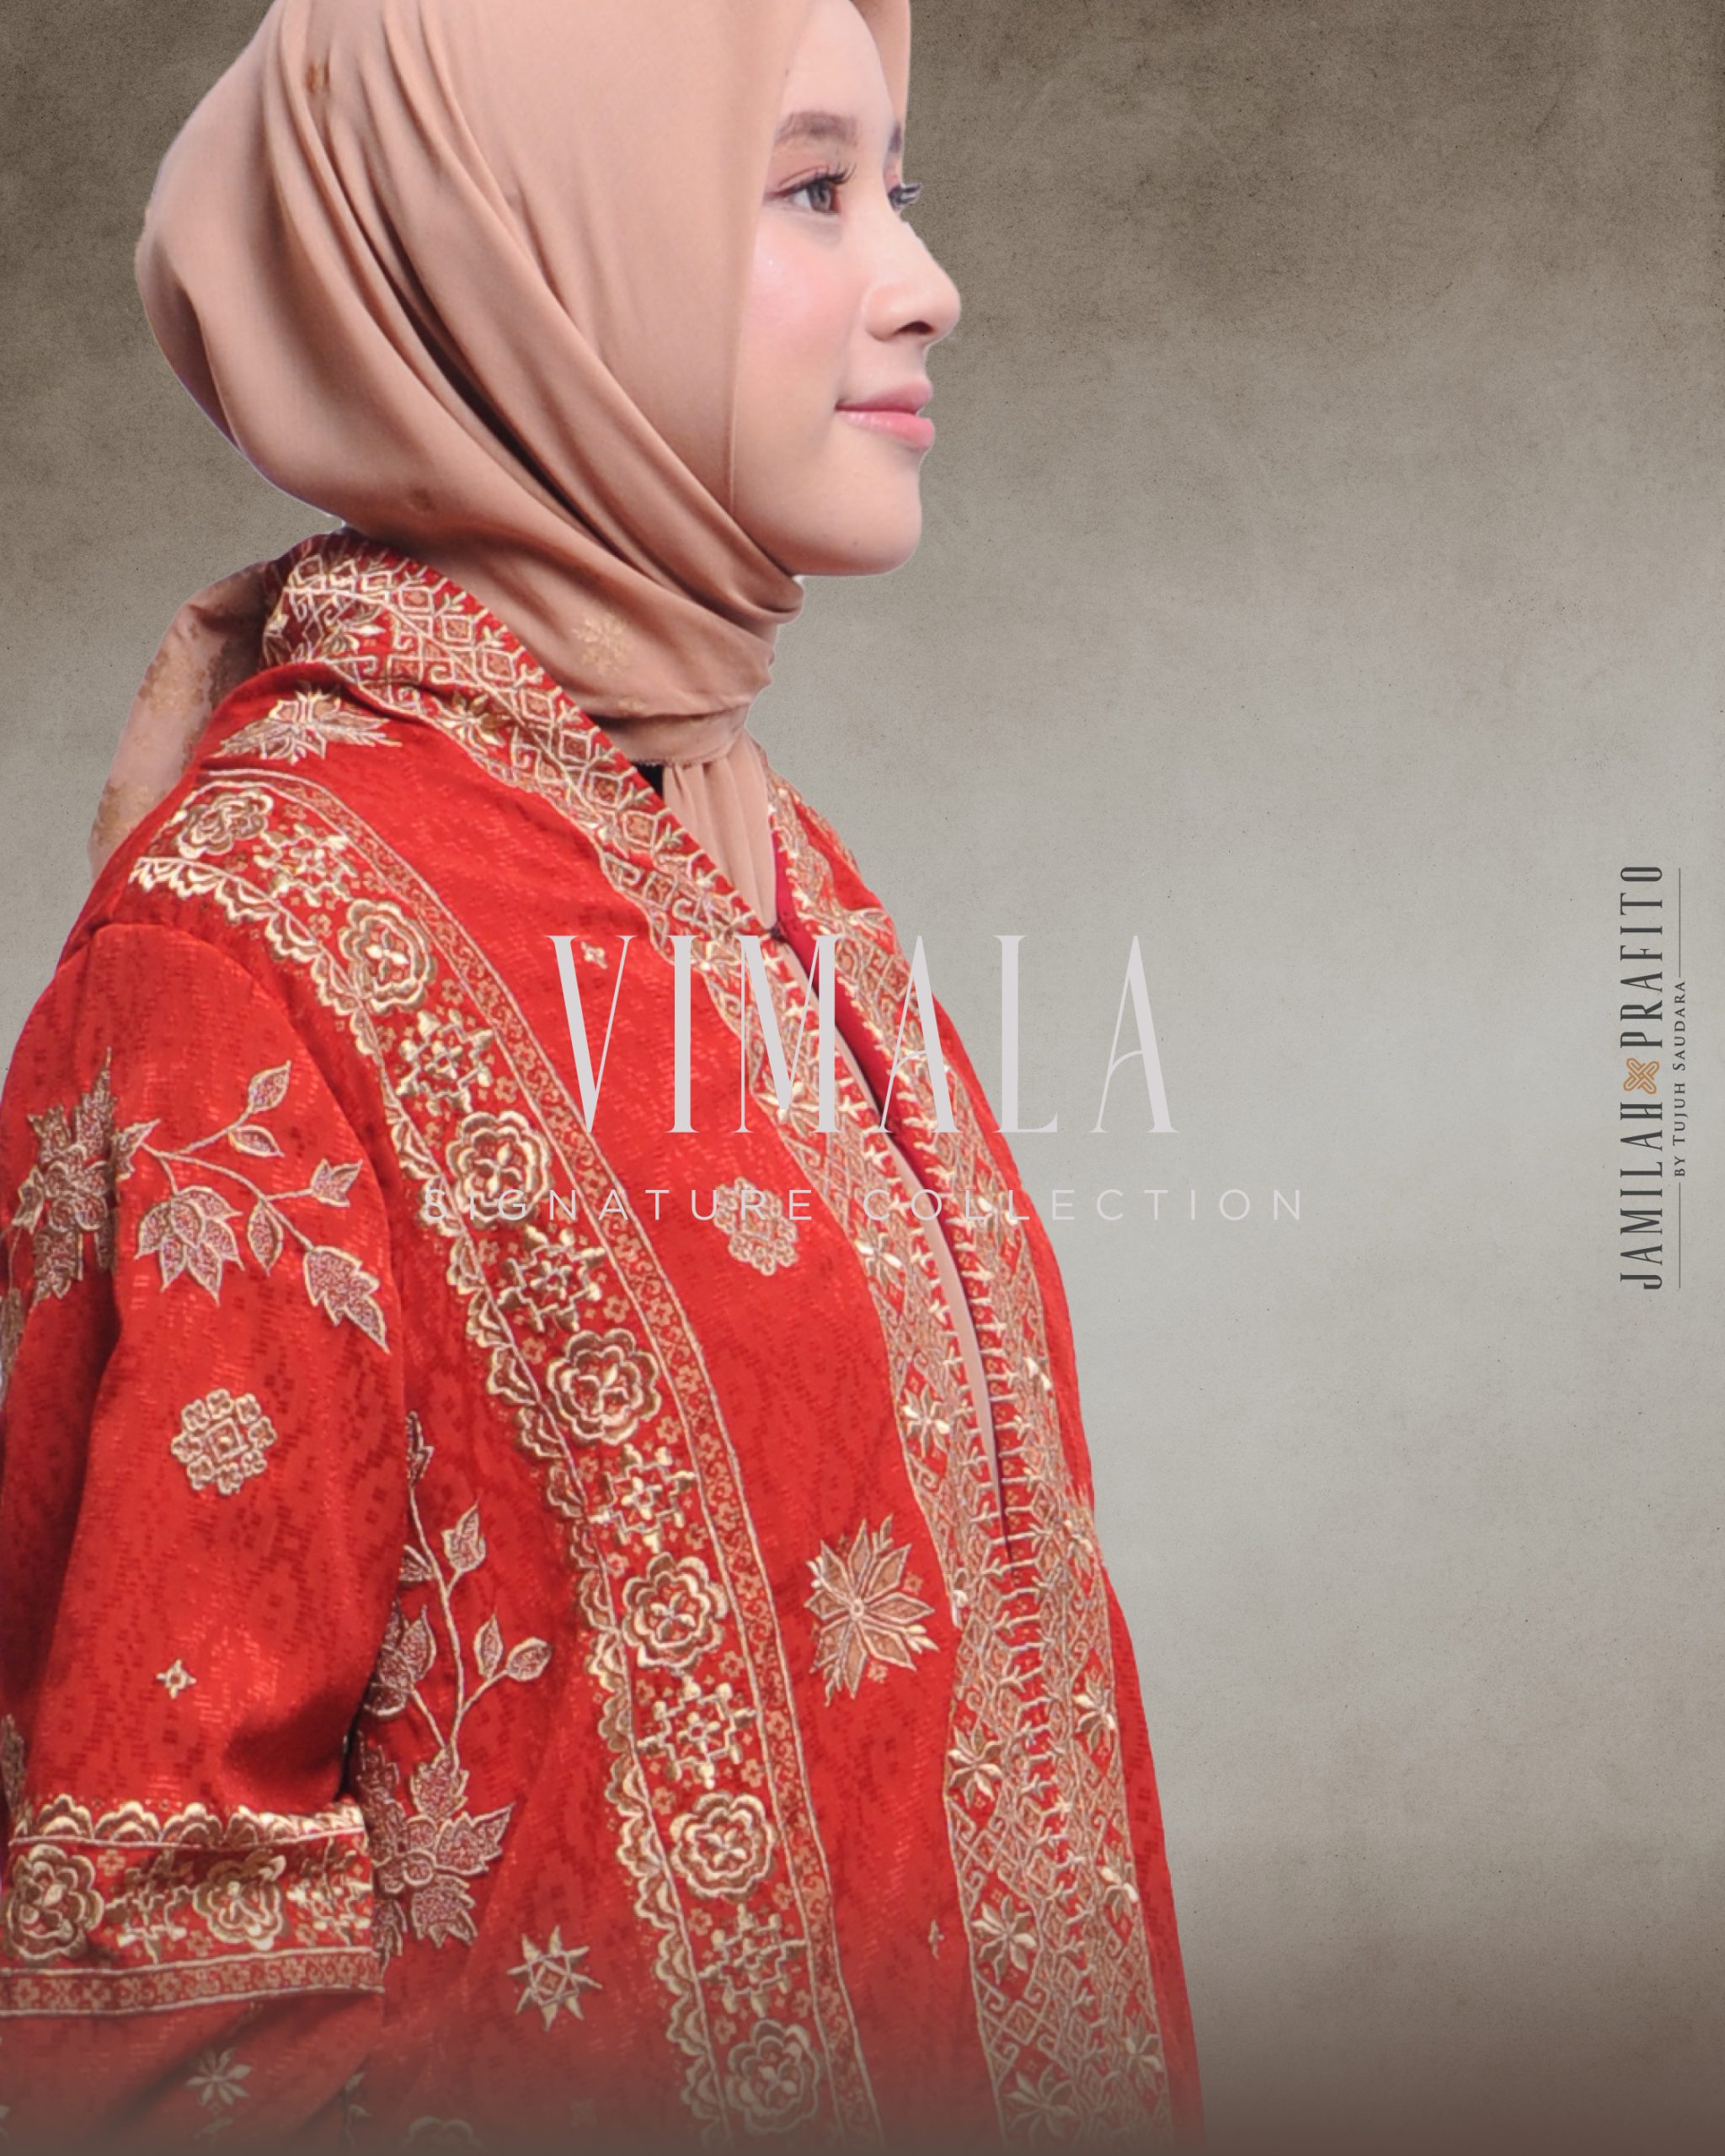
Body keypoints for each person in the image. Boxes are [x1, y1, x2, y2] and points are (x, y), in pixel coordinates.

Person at [0, 0, 1200, 2143]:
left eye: (897, 187)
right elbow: (148, 1954)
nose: (927, 282)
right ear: (528, 257)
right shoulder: (248, 939)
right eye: (811, 188)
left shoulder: (760, 861)